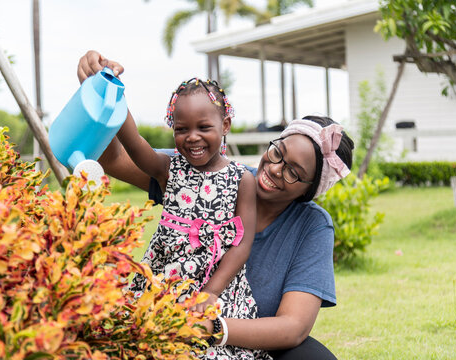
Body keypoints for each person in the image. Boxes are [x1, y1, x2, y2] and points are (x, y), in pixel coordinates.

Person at [77, 51, 355, 360]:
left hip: (232, 325)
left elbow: (294, 328)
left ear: (308, 191)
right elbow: (119, 156)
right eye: (278, 152)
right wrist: (103, 94)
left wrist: (210, 323)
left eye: (293, 173)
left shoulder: (306, 221)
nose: (276, 169)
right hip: (169, 295)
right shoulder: (194, 169)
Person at [106, 70, 268, 360]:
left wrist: (212, 292)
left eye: (204, 127)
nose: (192, 137)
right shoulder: (170, 168)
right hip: (165, 280)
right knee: (141, 343)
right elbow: (135, 144)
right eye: (181, 129)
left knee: (200, 349)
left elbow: (242, 244)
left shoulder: (242, 179)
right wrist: (114, 93)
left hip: (214, 285)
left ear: (225, 125)